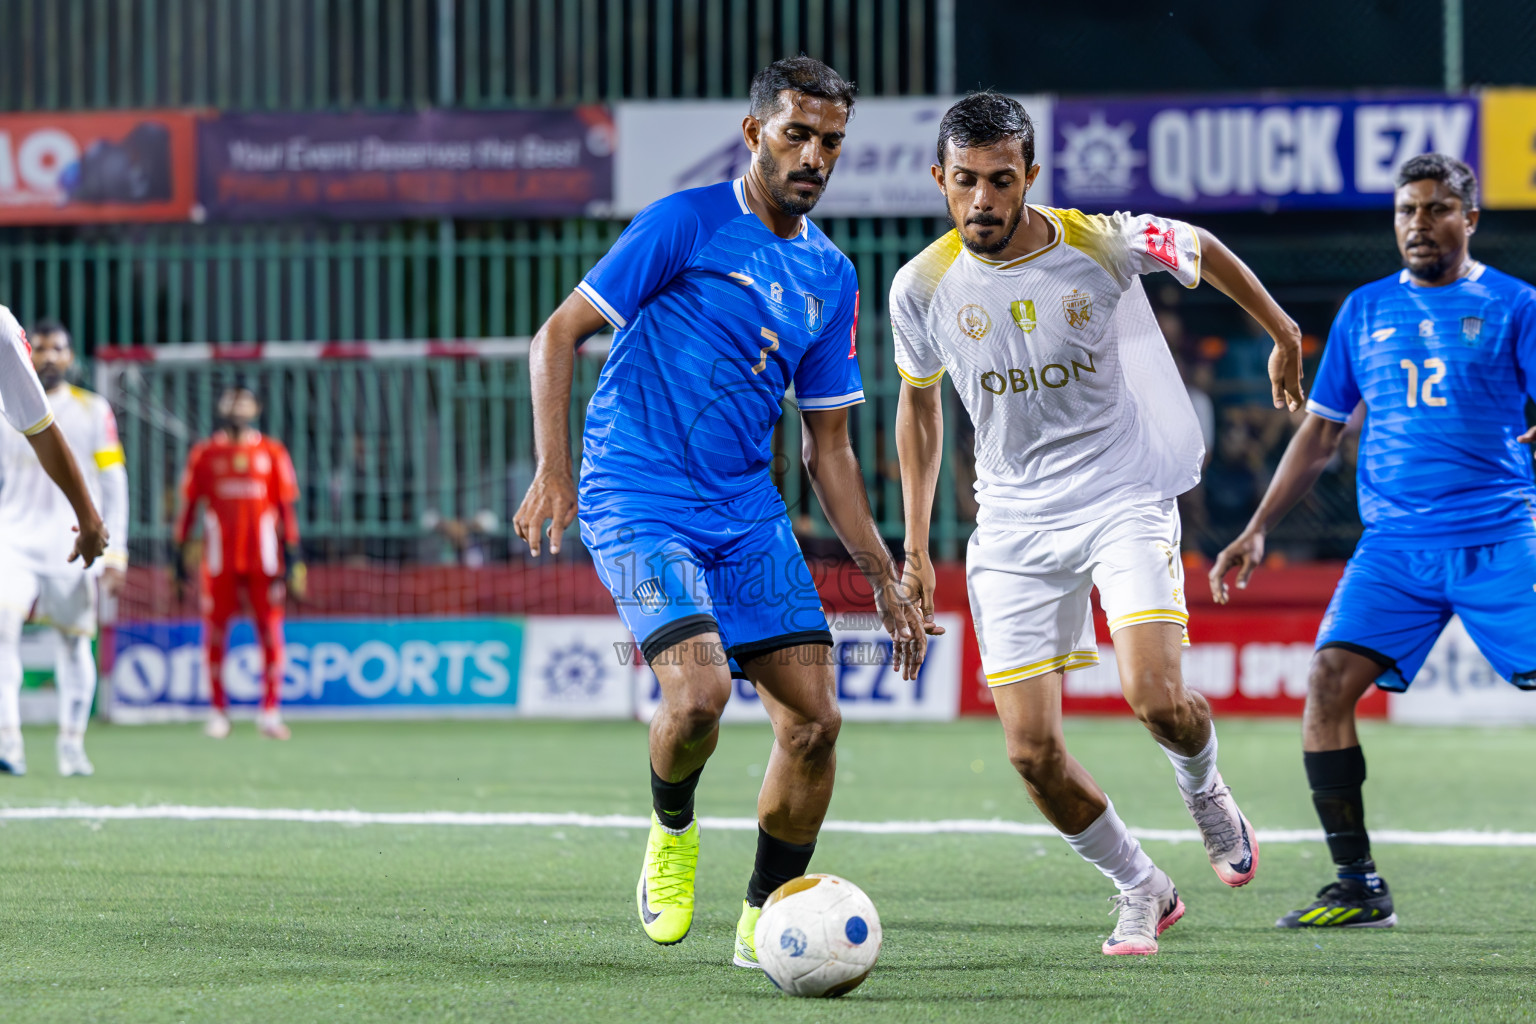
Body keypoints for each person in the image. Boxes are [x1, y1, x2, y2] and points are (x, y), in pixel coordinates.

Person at [512, 56, 931, 967]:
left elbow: (830, 449)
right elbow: (558, 335)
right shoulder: (685, 222)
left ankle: (765, 916)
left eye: (831, 142)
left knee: (815, 723)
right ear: (754, 133)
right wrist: (553, 470)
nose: (814, 155)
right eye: (797, 134)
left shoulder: (831, 275)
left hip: (744, 510)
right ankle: (672, 832)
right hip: (636, 493)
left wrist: (883, 576)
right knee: (698, 697)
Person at [892, 93, 1304, 956]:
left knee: (1157, 699)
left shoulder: (1100, 241)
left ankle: (1204, 788)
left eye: (1001, 180)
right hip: (1012, 522)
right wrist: (916, 548)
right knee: (1030, 753)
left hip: (1121, 496)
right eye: (965, 181)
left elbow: (1201, 247)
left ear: (1030, 177)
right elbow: (920, 409)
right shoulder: (921, 286)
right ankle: (1141, 886)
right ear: (939, 178)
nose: (982, 201)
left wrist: (1282, 331)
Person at [1210, 153, 1536, 930]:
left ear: (1469, 218)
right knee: (1327, 681)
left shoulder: (1516, 304)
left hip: (1499, 536)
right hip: (1394, 549)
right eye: (1406, 211)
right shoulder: (1364, 310)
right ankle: (1357, 885)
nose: (1419, 224)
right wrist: (1258, 527)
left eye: (1437, 208)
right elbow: (1321, 433)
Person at [0, 320, 127, 776]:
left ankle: (72, 746)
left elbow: (113, 481)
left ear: (71, 358)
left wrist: (117, 551)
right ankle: (8, 742)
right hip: (12, 536)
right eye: (41, 349)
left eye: (58, 349)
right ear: (27, 353)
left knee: (75, 643)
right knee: (2, 632)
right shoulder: (4, 404)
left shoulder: (94, 410)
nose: (49, 357)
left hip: (71, 538)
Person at [173, 384, 305, 741]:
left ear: (256, 408)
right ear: (221, 407)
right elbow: (189, 508)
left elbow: (285, 510)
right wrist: (178, 555)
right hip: (219, 562)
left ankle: (270, 712)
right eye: (231, 400)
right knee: (215, 635)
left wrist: (292, 557)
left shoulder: (273, 452)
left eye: (244, 401)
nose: (237, 407)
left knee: (270, 634)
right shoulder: (205, 453)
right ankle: (218, 712)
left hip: (265, 562)